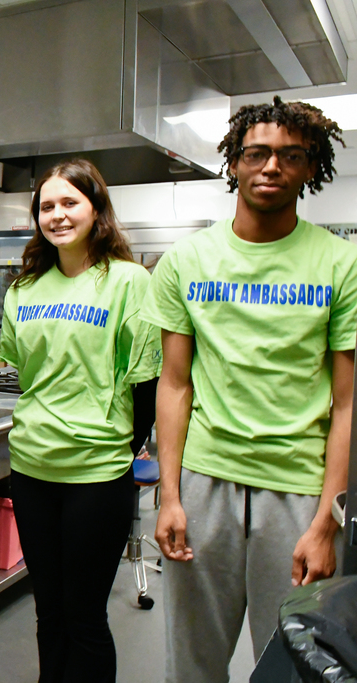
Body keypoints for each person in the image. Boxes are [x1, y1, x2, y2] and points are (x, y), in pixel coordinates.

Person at [141, 97, 356, 682]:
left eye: (290, 156)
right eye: (256, 153)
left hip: (297, 492)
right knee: (192, 664)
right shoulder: (187, 261)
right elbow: (175, 384)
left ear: (311, 168)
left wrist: (327, 521)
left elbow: (346, 404)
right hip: (204, 485)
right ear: (233, 162)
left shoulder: (341, 264)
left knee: (290, 663)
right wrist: (170, 494)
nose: (271, 167)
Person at [0, 159, 161, 683]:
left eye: (70, 202)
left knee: (85, 616)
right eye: (47, 206)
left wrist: (112, 443)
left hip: (97, 474)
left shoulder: (129, 282)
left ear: (96, 210)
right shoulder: (23, 290)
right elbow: (29, 374)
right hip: (30, 468)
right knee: (48, 612)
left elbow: (147, 386)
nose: (58, 215)